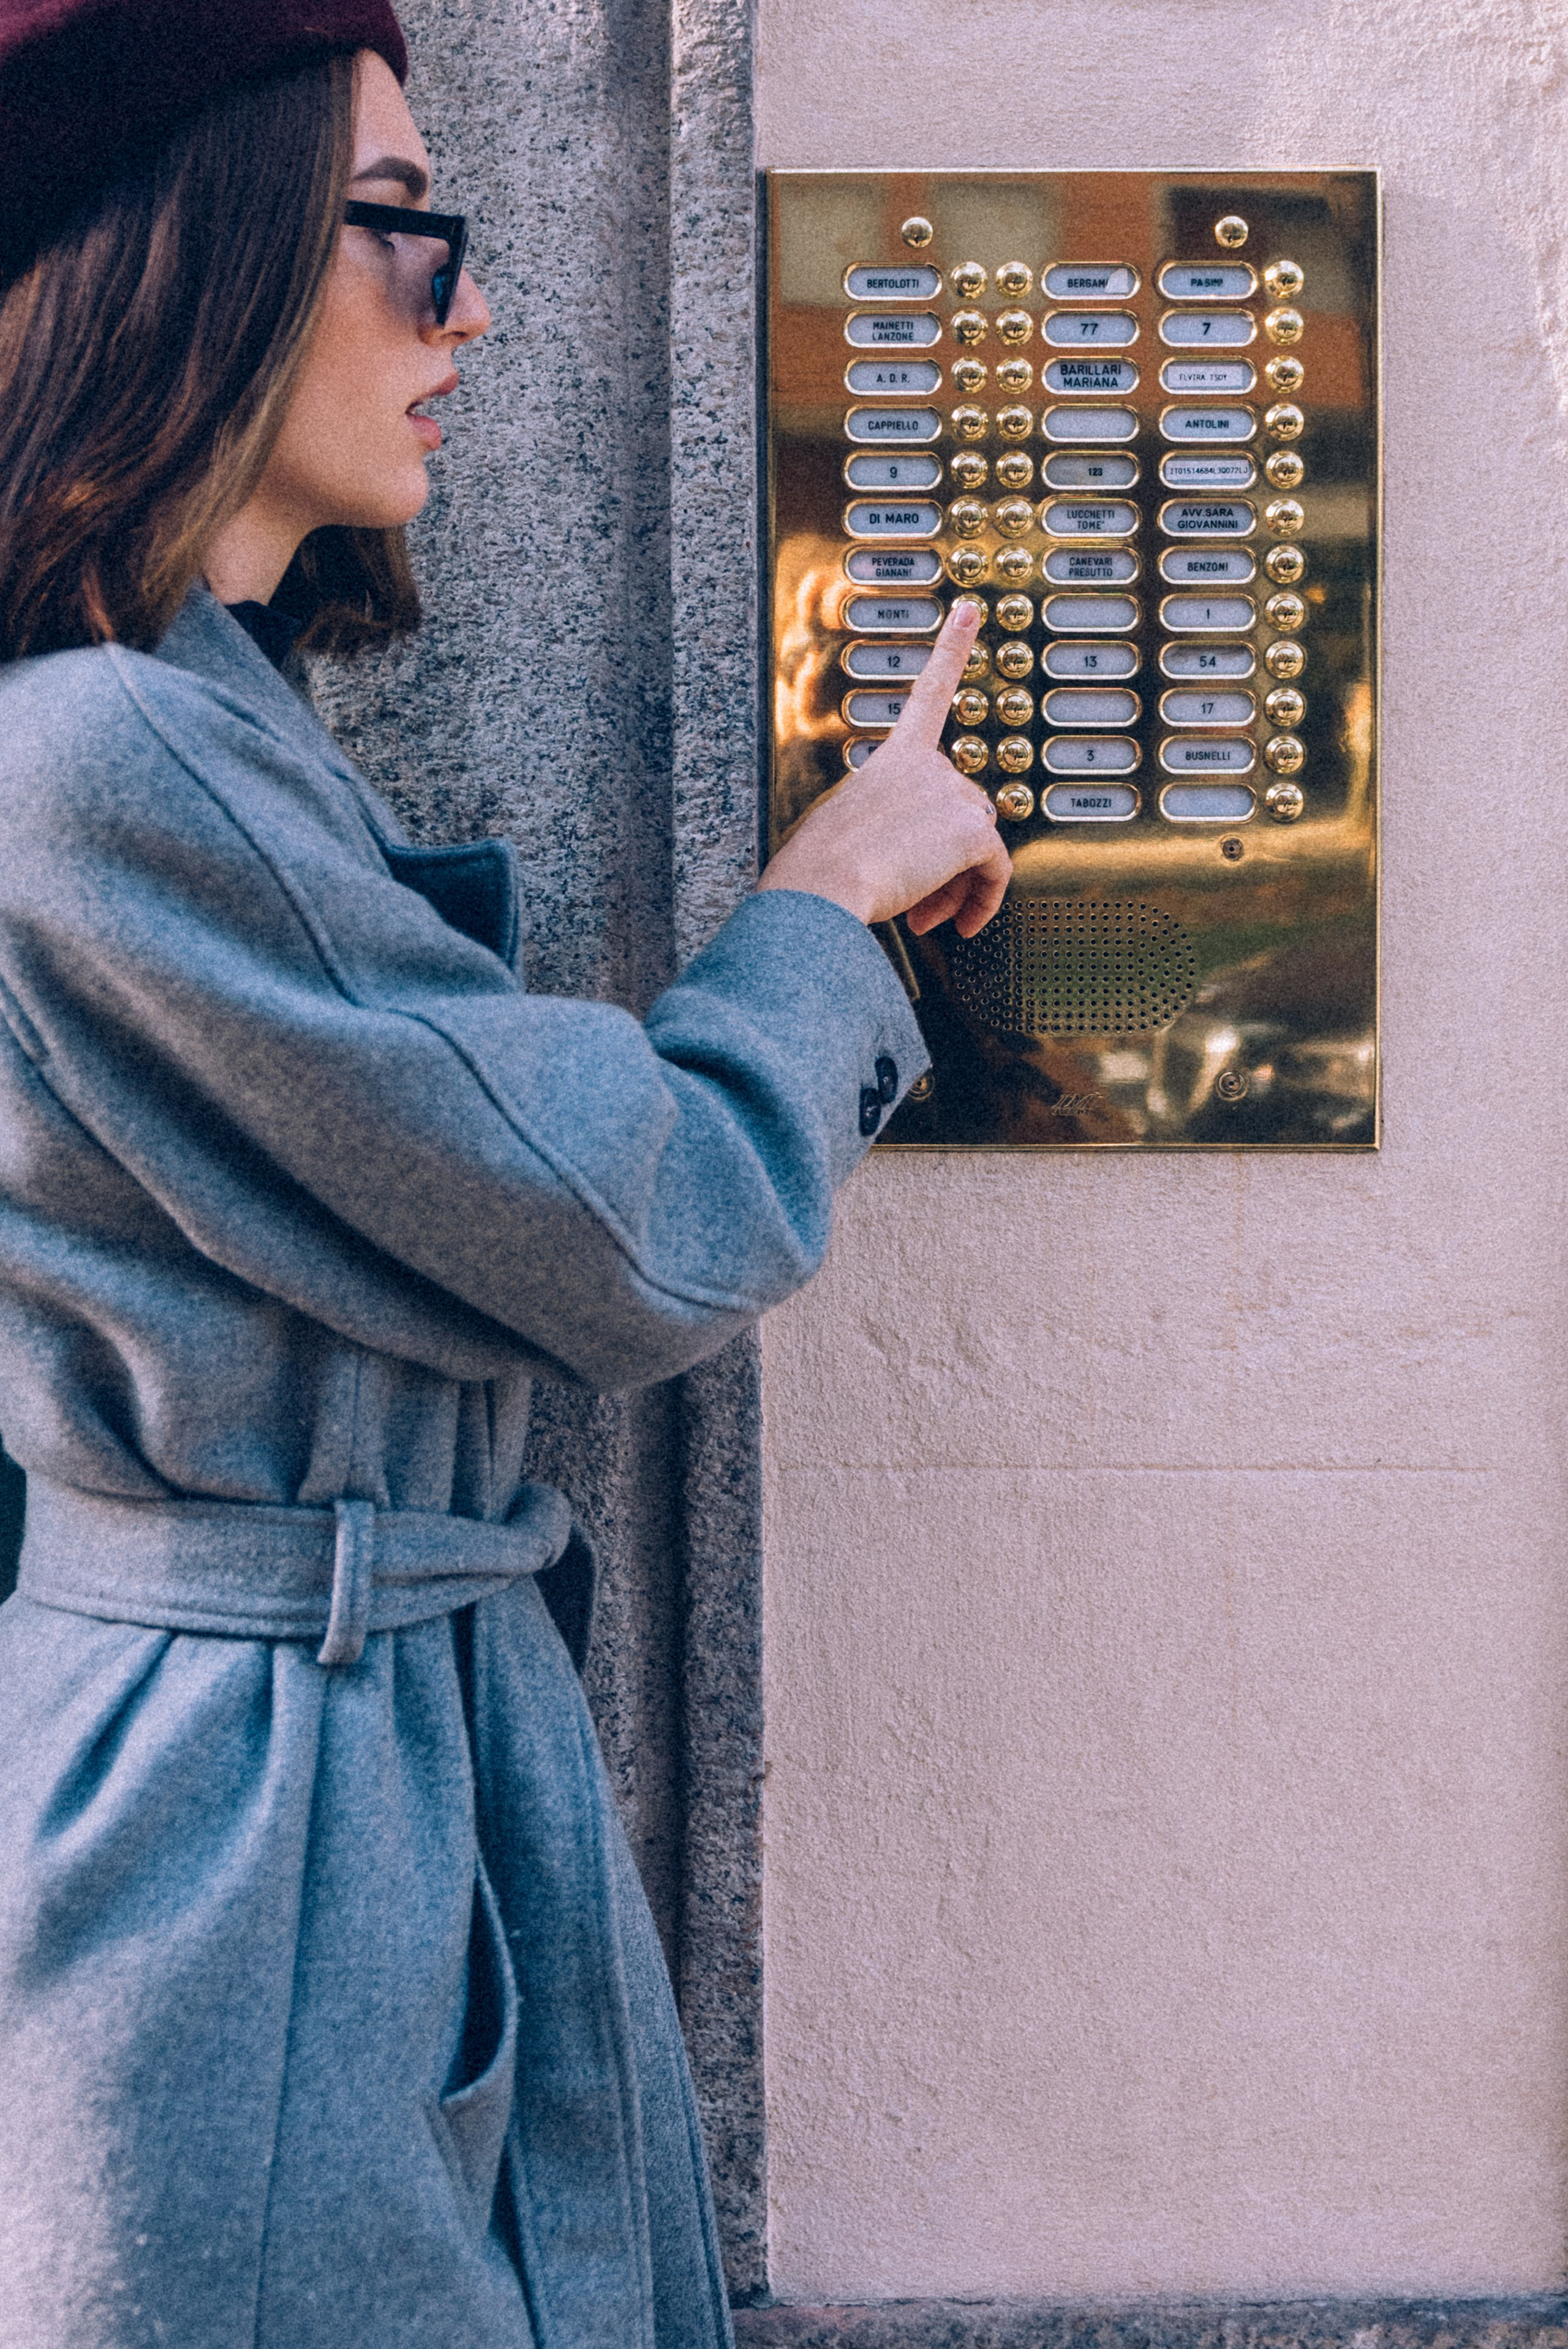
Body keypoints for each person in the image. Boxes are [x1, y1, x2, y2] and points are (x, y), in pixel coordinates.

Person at [0, 2, 1011, 2342]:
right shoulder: (106, 752)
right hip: (248, 1855)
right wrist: (826, 908)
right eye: (401, 230)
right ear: (202, 250)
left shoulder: (198, 711)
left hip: (295, 1790)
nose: (471, 302)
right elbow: (630, 1218)